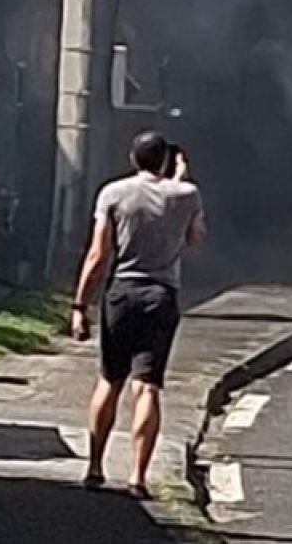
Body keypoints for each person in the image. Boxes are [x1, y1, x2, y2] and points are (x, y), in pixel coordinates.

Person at [68, 130, 207, 499]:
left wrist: (80, 305)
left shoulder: (113, 193)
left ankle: (95, 467)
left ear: (133, 158)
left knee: (109, 379)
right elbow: (195, 238)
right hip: (161, 296)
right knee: (147, 386)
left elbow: (98, 255)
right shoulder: (187, 195)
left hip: (122, 292)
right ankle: (138, 477)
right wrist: (181, 183)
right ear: (166, 161)